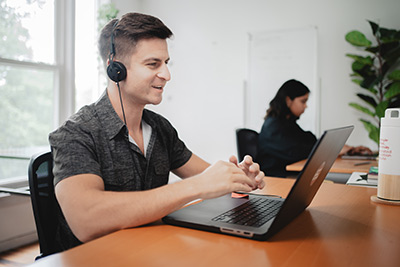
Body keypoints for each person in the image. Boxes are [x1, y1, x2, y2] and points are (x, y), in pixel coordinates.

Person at [48, 12, 265, 252]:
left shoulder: (159, 128)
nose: (166, 75)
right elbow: (86, 220)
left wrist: (239, 178)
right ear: (115, 68)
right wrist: (195, 187)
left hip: (150, 252)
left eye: (166, 63)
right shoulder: (76, 133)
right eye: (153, 64)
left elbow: (207, 176)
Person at [257, 79, 372, 177]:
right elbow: (296, 152)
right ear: (288, 100)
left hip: (291, 175)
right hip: (277, 179)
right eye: (303, 101)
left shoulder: (287, 123)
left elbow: (309, 140)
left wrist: (343, 149)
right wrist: (332, 149)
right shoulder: (273, 126)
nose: (305, 106)